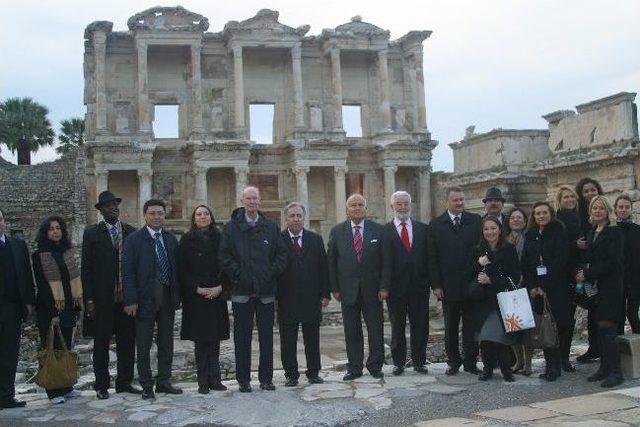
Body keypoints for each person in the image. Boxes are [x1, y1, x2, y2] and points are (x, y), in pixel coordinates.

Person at [219, 186, 287, 392]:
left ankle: (266, 379)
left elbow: (281, 255)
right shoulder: (231, 228)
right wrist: (239, 274)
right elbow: (224, 256)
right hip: (242, 291)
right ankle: (243, 380)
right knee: (242, 338)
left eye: (255, 199)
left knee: (266, 337)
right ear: (242, 201)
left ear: (260, 202)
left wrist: (269, 273)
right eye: (248, 199)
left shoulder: (271, 227)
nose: (251, 202)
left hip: (265, 291)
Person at [81, 191, 140, 400]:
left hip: (125, 298)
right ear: (101, 210)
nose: (113, 208)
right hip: (102, 298)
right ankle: (102, 384)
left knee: (127, 341)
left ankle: (124, 382)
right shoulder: (92, 234)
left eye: (115, 205)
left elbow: (136, 267)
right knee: (101, 342)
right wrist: (88, 299)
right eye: (108, 206)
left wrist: (134, 297)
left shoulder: (131, 232)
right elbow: (86, 269)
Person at [122, 199, 182, 400]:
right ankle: (146, 384)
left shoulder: (170, 239)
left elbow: (176, 271)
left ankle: (163, 381)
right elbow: (128, 272)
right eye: (152, 213)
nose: (157, 217)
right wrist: (130, 300)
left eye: (160, 213)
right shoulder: (134, 240)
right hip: (144, 300)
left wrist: (177, 297)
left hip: (166, 299)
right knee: (144, 345)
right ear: (145, 215)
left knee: (166, 342)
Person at [327, 194, 390, 380]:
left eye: (360, 205)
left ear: (365, 208)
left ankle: (375, 366)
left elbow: (386, 261)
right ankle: (354, 368)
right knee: (351, 331)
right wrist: (335, 288)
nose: (356, 208)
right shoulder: (337, 231)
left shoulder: (378, 230)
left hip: (373, 291)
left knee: (375, 330)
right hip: (347, 291)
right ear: (347, 209)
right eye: (353, 205)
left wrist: (384, 286)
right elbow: (332, 262)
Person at [428, 186, 482, 375]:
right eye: (455, 200)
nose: (459, 203)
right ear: (446, 202)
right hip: (448, 286)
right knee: (450, 327)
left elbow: (481, 249)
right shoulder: (435, 225)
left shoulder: (476, 221)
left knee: (471, 326)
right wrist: (435, 285)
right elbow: (432, 258)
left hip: (471, 283)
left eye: (461, 200)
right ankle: (453, 361)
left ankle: (470, 361)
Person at [277, 202, 330, 387]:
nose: (296, 219)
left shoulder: (315, 239)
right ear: (286, 218)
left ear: (303, 217)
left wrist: (325, 294)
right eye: (292, 216)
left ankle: (313, 372)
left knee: (312, 338)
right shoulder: (278, 239)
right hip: (286, 298)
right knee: (288, 340)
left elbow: (323, 268)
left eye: (299, 215)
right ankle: (291, 375)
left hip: (311, 297)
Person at [179, 205, 230, 394]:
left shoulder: (221, 238)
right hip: (196, 298)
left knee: (215, 340)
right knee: (200, 342)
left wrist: (221, 287)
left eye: (206, 213)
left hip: (216, 295)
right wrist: (196, 288)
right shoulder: (186, 240)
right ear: (194, 219)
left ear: (211, 217)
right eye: (199, 214)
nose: (202, 216)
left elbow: (228, 264)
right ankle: (202, 382)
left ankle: (215, 380)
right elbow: (182, 269)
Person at [575, 196, 624, 388]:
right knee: (599, 329)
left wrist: (587, 273)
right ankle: (604, 367)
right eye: (594, 208)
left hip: (610, 286)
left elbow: (613, 262)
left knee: (608, 328)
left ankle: (615, 371)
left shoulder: (614, 232)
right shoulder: (591, 232)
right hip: (595, 287)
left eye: (601, 208)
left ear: (607, 211)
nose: (597, 211)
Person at [32, 216, 82, 404]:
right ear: (45, 232)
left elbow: (73, 281)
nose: (55, 231)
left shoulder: (67, 253)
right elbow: (43, 285)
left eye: (58, 228)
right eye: (51, 228)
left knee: (66, 347)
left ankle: (66, 386)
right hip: (50, 309)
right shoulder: (39, 255)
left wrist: (77, 307)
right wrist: (53, 312)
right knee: (52, 348)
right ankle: (53, 391)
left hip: (67, 306)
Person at [521, 201, 570, 382]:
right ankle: (550, 365)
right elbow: (526, 263)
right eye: (537, 213)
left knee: (556, 325)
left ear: (551, 214)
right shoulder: (531, 235)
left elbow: (560, 261)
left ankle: (557, 364)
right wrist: (532, 286)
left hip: (555, 287)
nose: (541, 216)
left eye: (544, 212)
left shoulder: (559, 232)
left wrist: (545, 286)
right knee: (544, 326)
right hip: (537, 289)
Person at [383, 191, 430, 375]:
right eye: (399, 204)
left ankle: (419, 361)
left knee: (420, 325)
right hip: (396, 288)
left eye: (405, 204)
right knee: (397, 326)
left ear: (410, 206)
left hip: (419, 286)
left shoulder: (423, 229)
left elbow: (429, 258)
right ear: (392, 207)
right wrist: (384, 286)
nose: (402, 207)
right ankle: (399, 362)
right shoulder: (384, 231)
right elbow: (384, 261)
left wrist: (431, 283)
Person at [468, 216, 520, 382]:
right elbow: (467, 274)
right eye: (486, 229)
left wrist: (491, 280)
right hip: (481, 300)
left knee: (498, 338)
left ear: (499, 230)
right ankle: (488, 369)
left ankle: (506, 369)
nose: (490, 232)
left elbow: (515, 275)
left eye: (493, 228)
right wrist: (478, 264)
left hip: (501, 298)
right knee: (484, 338)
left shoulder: (509, 249)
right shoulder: (477, 250)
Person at [0, 209, 35, 409]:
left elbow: (26, 275)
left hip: (13, 309)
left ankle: (7, 395)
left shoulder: (17, 245)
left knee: (10, 353)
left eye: (0, 219)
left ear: (4, 222)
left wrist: (29, 302)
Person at [575, 177, 604, 363]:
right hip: (586, 271)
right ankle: (594, 348)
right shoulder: (578, 214)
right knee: (592, 310)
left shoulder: (603, 214)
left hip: (600, 271)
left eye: (592, 190)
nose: (589, 194)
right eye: (585, 191)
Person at [554, 186, 582, 373]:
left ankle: (564, 357)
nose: (570, 199)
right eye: (566, 197)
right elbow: (558, 247)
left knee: (570, 319)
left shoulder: (580, 217)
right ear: (560, 200)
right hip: (562, 276)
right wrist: (575, 244)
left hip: (578, 274)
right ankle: (558, 358)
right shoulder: (557, 221)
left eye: (572, 196)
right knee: (561, 319)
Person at [504, 207, 531, 376]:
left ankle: (528, 363)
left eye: (519, 217)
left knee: (526, 326)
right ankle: (518, 360)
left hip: (526, 285)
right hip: (509, 286)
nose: (516, 220)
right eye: (513, 217)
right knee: (512, 325)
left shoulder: (530, 238)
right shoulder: (504, 240)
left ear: (525, 220)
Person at [614, 194, 640, 334]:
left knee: (633, 313)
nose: (623, 210)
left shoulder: (637, 230)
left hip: (635, 278)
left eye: (626, 207)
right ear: (615, 209)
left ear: (631, 209)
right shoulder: (611, 230)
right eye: (620, 207)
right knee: (619, 314)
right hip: (617, 278)